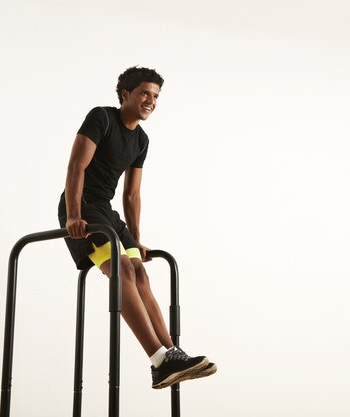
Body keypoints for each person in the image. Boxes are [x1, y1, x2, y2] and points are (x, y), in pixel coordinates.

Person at [58, 66, 216, 389]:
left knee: (140, 271)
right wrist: (74, 214)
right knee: (124, 271)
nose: (150, 100)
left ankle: (173, 353)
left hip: (108, 211)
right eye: (145, 93)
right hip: (84, 208)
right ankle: (158, 360)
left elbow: (132, 194)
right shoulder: (101, 118)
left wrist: (137, 239)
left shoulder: (141, 140)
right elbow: (77, 165)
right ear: (125, 94)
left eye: (156, 96)